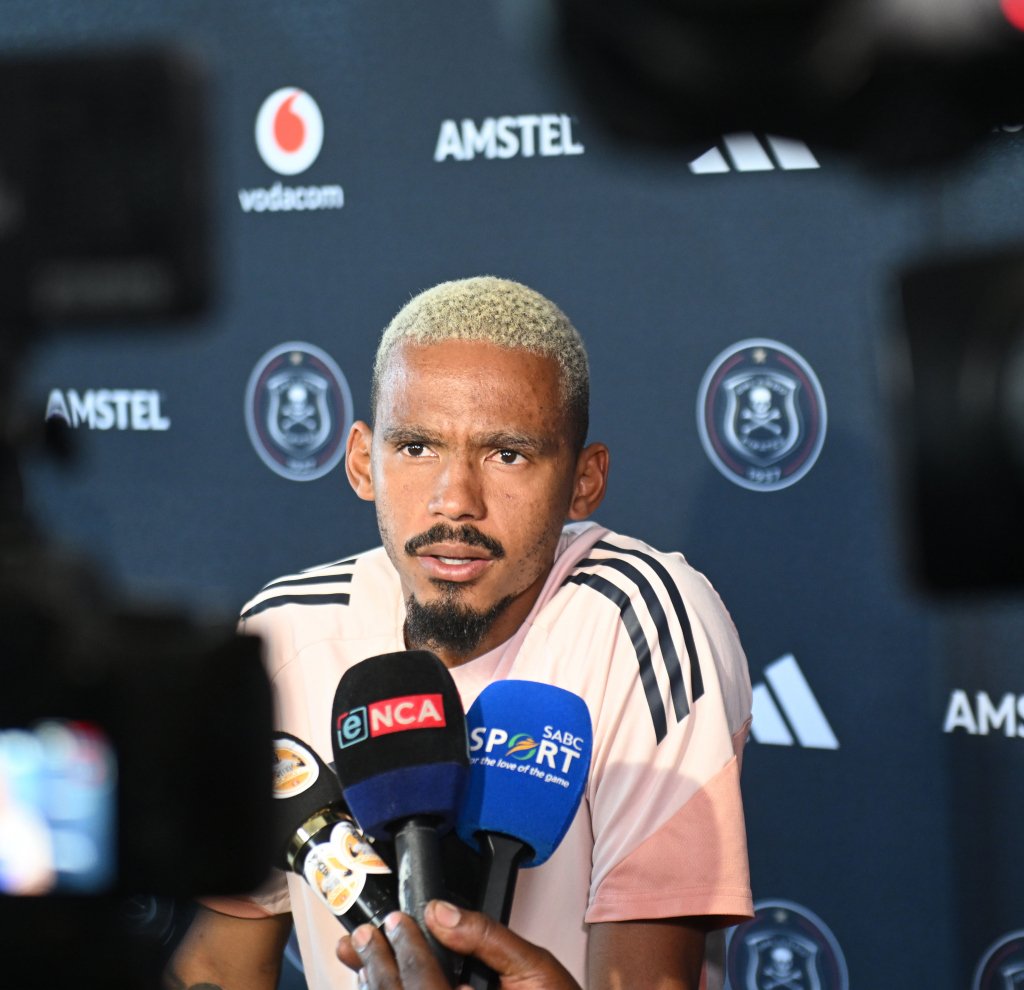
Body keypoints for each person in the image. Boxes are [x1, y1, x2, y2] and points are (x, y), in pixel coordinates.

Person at [165, 276, 753, 990]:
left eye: (507, 455)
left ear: (584, 481)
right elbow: (218, 968)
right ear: (362, 462)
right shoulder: (286, 629)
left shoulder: (643, 619)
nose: (456, 502)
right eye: (416, 448)